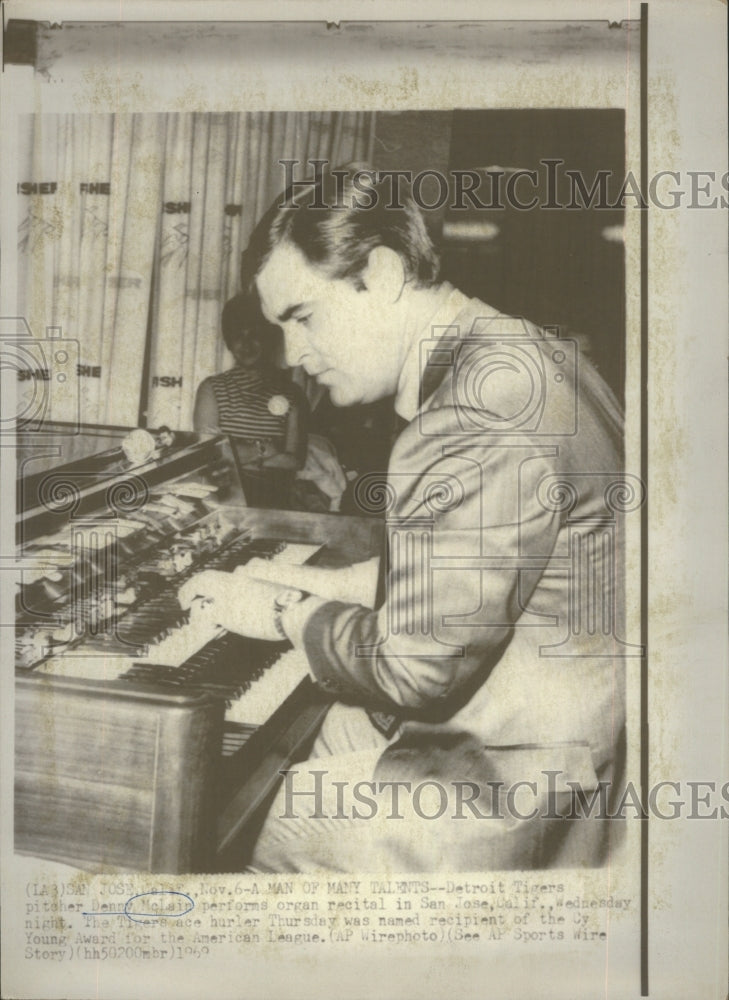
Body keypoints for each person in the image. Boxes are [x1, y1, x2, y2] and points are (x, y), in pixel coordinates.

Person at [179, 165, 628, 872]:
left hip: (508, 778)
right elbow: (488, 569)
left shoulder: (473, 414)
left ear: (381, 273)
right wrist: (336, 585)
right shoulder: (527, 354)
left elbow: (411, 671)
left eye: (302, 317)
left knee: (210, 822)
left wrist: (277, 612)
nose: (293, 357)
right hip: (558, 733)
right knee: (292, 736)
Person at [193, 293, 307, 508]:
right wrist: (265, 450)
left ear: (268, 338)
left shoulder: (292, 393)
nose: (246, 344)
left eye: (254, 335)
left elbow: (294, 461)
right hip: (225, 498)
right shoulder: (212, 389)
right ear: (228, 341)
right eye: (238, 336)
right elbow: (209, 455)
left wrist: (237, 452)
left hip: (274, 497)